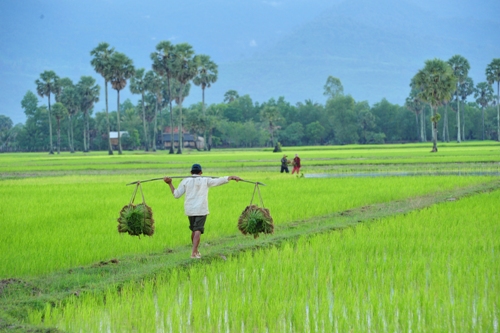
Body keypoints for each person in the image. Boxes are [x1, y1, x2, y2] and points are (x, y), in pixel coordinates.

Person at [164, 163, 241, 259]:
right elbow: (218, 181)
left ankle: (196, 251)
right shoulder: (205, 180)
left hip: (190, 210)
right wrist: (231, 177)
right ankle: (193, 253)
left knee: (194, 230)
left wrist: (169, 183)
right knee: (197, 230)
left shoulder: (186, 181)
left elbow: (176, 194)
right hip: (201, 209)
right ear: (201, 172)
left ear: (191, 172)